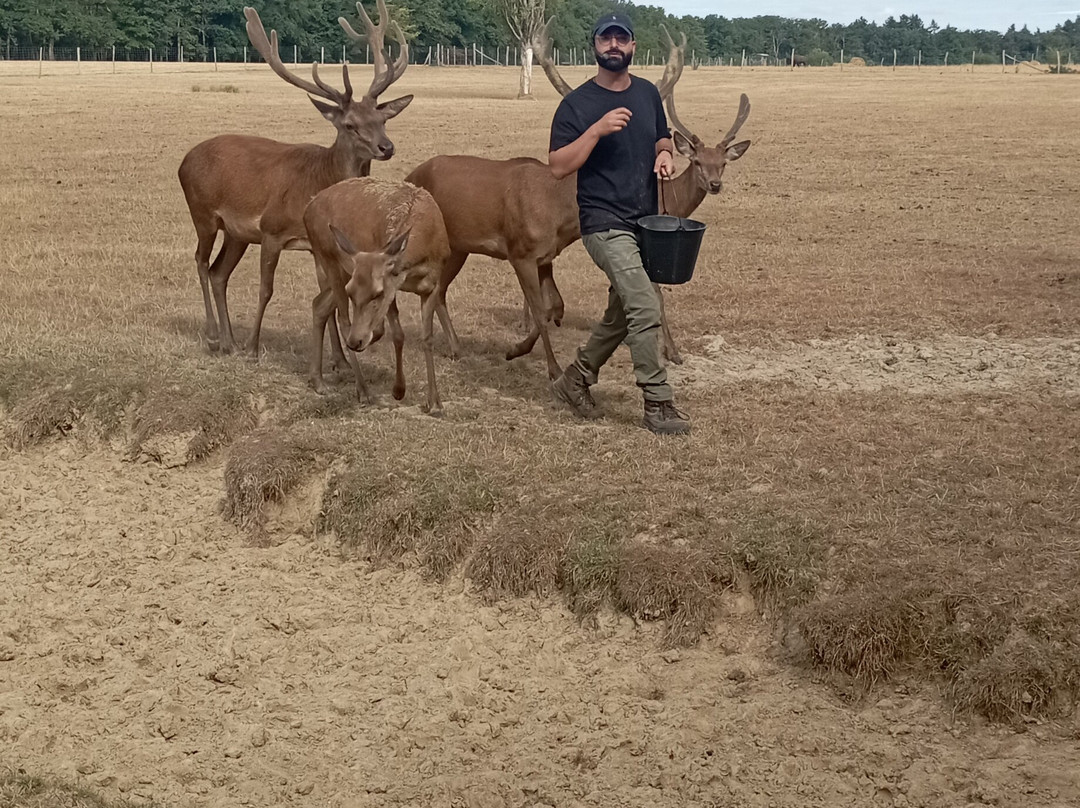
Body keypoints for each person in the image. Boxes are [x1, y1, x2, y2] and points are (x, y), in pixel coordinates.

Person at [547, 12, 691, 436]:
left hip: (643, 220)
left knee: (623, 313)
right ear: (594, 46)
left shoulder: (647, 93)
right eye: (606, 38)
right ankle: (658, 402)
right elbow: (557, 167)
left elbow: (660, 135)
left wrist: (664, 152)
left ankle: (574, 380)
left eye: (621, 39)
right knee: (646, 305)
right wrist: (595, 132)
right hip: (603, 223)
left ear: (632, 46)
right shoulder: (577, 105)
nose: (614, 45)